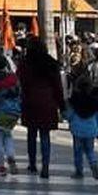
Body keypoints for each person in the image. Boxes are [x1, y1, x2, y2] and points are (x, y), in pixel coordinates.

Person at [17, 36, 63, 179]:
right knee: (45, 135)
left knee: (31, 134)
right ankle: (46, 166)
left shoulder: (25, 63)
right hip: (48, 101)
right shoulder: (51, 63)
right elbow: (58, 86)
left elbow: (20, 82)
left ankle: (32, 163)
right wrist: (62, 104)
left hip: (30, 100)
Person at [65, 69, 98, 180]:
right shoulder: (94, 101)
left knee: (78, 152)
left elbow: (69, 114)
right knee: (89, 150)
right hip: (91, 129)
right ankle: (93, 163)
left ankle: (79, 171)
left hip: (77, 128)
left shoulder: (74, 99)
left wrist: (68, 119)